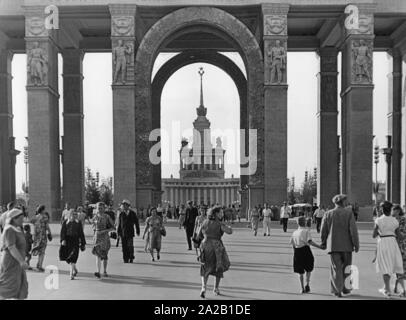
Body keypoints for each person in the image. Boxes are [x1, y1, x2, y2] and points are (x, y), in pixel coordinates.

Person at [320, 194, 359, 297]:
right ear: (343, 202)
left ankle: (337, 290)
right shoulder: (349, 213)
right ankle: (346, 289)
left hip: (333, 245)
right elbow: (353, 231)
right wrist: (356, 244)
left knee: (336, 269)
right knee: (347, 268)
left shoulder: (328, 214)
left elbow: (323, 231)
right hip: (347, 246)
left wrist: (323, 242)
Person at [196, 206, 232, 298]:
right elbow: (229, 231)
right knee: (218, 267)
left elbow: (198, 236)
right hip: (216, 247)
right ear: (216, 213)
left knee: (205, 267)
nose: (222, 214)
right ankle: (216, 288)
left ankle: (203, 287)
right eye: (221, 212)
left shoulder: (204, 222)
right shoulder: (219, 224)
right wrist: (229, 227)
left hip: (205, 246)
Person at [373, 201, 404, 297]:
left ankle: (387, 289)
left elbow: (374, 235)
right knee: (393, 264)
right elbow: (400, 236)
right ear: (390, 209)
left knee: (385, 266)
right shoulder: (395, 221)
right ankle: (389, 288)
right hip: (392, 242)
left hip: (383, 242)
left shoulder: (378, 220)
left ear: (381, 209)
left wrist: (379, 230)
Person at [0, 209, 29, 300]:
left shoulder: (17, 228)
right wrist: (21, 261)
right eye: (20, 218)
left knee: (20, 285)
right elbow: (11, 247)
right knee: (9, 286)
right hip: (11, 261)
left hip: (17, 261)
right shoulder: (9, 229)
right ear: (14, 219)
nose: (22, 220)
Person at [290, 216, 323, 294]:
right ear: (304, 222)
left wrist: (295, 253)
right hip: (305, 250)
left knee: (300, 271)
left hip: (297, 251)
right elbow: (310, 241)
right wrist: (320, 246)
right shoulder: (306, 231)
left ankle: (302, 288)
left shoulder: (294, 232)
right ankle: (307, 284)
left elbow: (292, 244)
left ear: (297, 223)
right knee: (309, 268)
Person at [60, 210, 86, 280]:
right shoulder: (66, 222)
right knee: (68, 258)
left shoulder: (78, 223)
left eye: (76, 214)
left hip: (75, 241)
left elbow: (81, 233)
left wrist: (83, 243)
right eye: (73, 214)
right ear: (70, 215)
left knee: (73, 257)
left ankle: (71, 274)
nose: (75, 216)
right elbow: (63, 232)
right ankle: (74, 269)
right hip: (67, 241)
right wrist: (63, 240)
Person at [91, 202, 115, 278]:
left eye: (101, 208)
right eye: (98, 208)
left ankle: (104, 271)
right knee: (97, 254)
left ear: (104, 209)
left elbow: (113, 227)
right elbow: (93, 227)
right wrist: (95, 233)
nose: (100, 209)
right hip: (97, 237)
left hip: (105, 237)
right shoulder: (94, 217)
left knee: (104, 255)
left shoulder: (107, 217)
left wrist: (105, 231)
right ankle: (98, 271)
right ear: (96, 209)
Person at [30, 205, 52, 272]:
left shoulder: (35, 217)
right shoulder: (44, 217)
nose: (45, 211)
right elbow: (47, 226)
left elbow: (32, 223)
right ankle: (39, 266)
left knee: (38, 249)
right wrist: (49, 233)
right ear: (42, 210)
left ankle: (38, 264)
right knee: (42, 252)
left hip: (36, 236)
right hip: (42, 236)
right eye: (44, 209)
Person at [392, 204, 406, 296]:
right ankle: (396, 287)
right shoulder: (393, 219)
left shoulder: (402, 220)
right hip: (398, 246)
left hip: (401, 246)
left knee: (400, 267)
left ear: (397, 210)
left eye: (393, 210)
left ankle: (404, 291)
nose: (392, 212)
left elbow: (402, 234)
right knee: (398, 267)